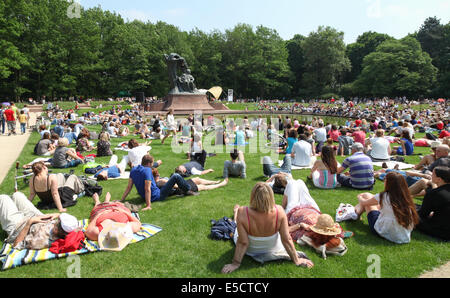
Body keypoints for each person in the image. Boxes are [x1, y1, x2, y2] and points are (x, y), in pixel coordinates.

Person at [221, 183, 314, 274]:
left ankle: (235, 213)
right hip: (273, 248)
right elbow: (286, 239)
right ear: (271, 196)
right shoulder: (280, 211)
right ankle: (299, 225)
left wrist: (235, 263)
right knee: (282, 230)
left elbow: (243, 242)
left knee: (237, 225)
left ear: (253, 196)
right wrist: (296, 260)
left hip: (251, 250)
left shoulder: (243, 211)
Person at [354, 172, 419, 244]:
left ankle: (356, 215)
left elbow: (364, 203)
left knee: (366, 196)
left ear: (388, 183)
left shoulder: (384, 196)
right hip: (403, 236)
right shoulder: (405, 196)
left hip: (383, 231)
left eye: (385, 180)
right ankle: (356, 213)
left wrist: (359, 197)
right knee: (371, 199)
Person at [0, 191, 78, 250]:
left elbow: (16, 245)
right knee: (17, 195)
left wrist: (29, 222)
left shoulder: (41, 241)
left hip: (19, 227)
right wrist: (57, 214)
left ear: (57, 229)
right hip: (38, 217)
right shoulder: (69, 228)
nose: (58, 219)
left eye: (59, 220)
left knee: (3, 198)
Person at [120, 155, 195, 211]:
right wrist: (148, 205)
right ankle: (188, 189)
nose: (153, 165)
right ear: (149, 164)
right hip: (158, 196)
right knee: (176, 176)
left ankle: (181, 188)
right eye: (152, 163)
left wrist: (122, 199)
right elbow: (147, 189)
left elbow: (129, 187)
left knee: (165, 180)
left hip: (148, 194)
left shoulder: (133, 170)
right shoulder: (147, 171)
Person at [416, 167, 450, 240]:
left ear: (439, 179)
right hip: (445, 224)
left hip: (441, 231)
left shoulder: (433, 193)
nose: (431, 176)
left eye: (433, 174)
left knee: (411, 214)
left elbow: (422, 215)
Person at [153, 168, 228, 193]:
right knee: (202, 187)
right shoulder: (160, 181)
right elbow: (175, 186)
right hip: (181, 188)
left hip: (181, 183)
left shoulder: (158, 180)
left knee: (197, 179)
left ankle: (214, 182)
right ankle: (220, 184)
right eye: (157, 175)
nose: (159, 175)